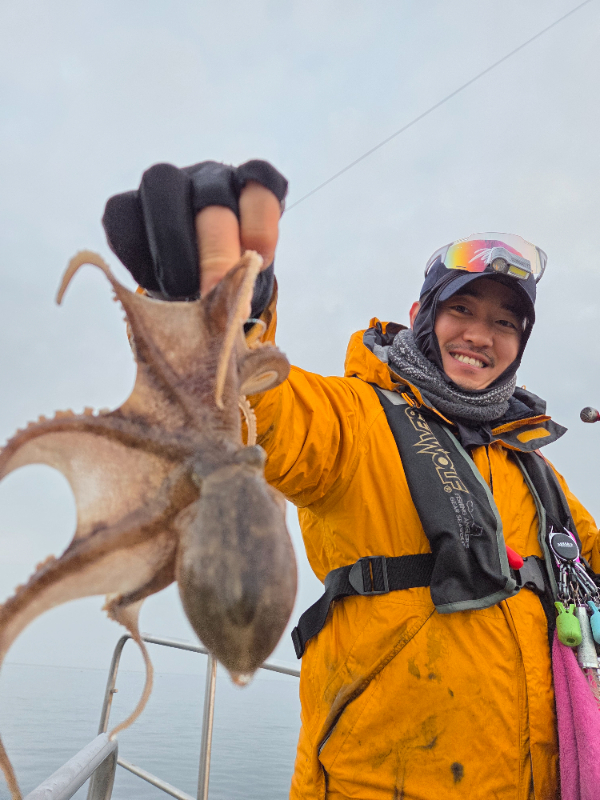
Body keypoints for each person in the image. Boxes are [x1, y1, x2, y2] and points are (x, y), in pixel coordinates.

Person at [103, 160, 600, 800]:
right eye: (462, 309)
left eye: (505, 323)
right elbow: (258, 405)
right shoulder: (355, 421)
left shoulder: (537, 472)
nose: (481, 335)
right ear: (422, 315)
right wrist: (216, 319)